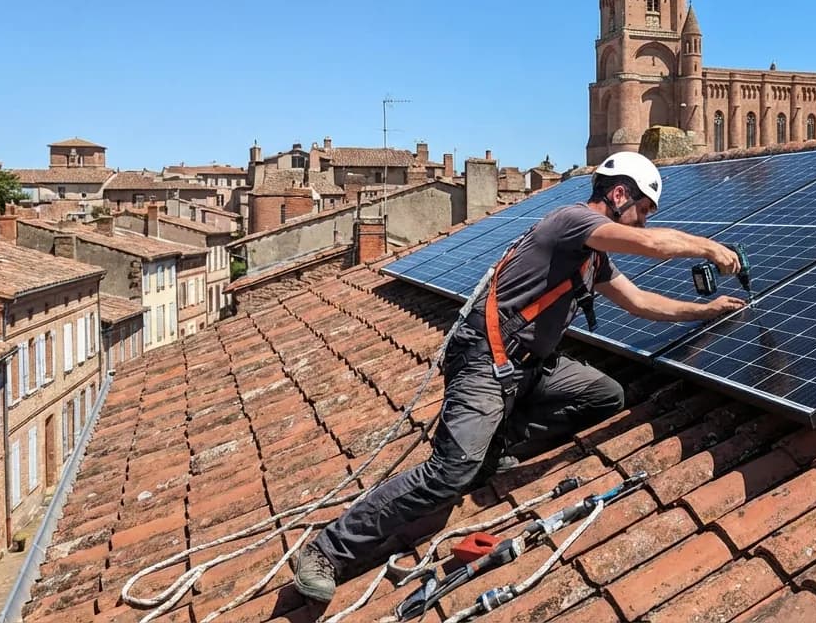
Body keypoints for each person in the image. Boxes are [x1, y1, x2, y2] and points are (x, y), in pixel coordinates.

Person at [293, 152, 746, 602]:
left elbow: (640, 302)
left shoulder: (594, 259)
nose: (645, 221)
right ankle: (328, 550)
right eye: (643, 209)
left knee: (605, 395)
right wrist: (709, 248)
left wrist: (704, 310)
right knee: (450, 473)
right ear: (619, 195)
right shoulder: (572, 222)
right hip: (485, 360)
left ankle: (495, 447)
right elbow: (652, 245)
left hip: (531, 368)